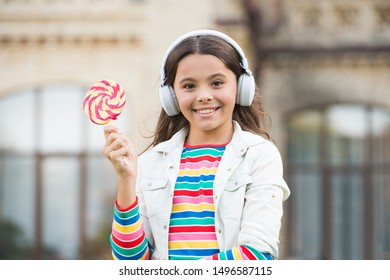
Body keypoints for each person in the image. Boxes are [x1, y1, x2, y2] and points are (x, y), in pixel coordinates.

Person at [103, 29, 290, 260]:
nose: (203, 95)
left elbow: (257, 256)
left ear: (241, 87)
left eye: (217, 83)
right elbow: (129, 261)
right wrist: (126, 179)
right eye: (189, 86)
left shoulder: (261, 156)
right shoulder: (149, 164)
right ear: (171, 96)